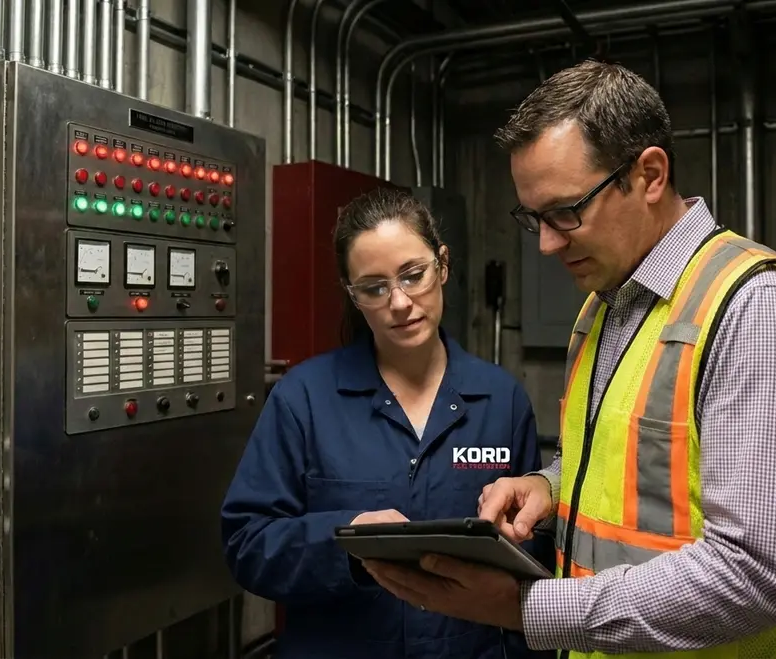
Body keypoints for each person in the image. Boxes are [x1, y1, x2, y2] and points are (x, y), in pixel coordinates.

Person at [360, 60, 776, 658]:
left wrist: (521, 607)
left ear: (648, 174)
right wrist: (548, 485)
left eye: (567, 212)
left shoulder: (762, 314)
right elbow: (634, 465)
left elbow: (752, 577)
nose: (546, 243)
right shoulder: (605, 305)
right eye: (533, 218)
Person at [220, 187, 552, 659]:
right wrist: (349, 538)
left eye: (413, 276)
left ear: (443, 265)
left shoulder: (501, 400)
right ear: (353, 296)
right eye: (374, 287)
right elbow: (247, 543)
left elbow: (534, 548)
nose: (399, 302)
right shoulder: (305, 398)